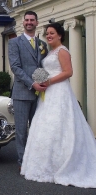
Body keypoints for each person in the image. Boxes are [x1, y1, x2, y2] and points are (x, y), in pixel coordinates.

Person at [20, 22, 96, 188]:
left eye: (52, 33)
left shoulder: (62, 51)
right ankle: (47, 165)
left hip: (60, 91)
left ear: (60, 35)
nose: (49, 36)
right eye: (47, 33)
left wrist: (49, 80)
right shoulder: (50, 52)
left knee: (59, 125)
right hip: (48, 92)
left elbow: (68, 72)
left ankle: (63, 163)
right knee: (46, 126)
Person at [8, 11, 48, 168]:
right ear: (23, 23)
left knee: (38, 129)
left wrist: (45, 83)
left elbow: (44, 66)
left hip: (40, 94)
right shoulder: (14, 43)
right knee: (22, 131)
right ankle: (23, 162)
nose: (29, 22)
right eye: (27, 20)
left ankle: (36, 160)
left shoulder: (42, 44)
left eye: (32, 20)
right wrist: (32, 84)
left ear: (37, 23)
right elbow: (16, 68)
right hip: (22, 93)